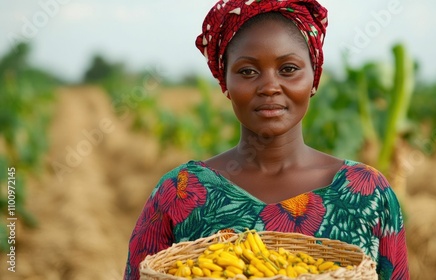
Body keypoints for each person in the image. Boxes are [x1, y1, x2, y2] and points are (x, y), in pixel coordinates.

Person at [124, 0, 409, 279]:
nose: (270, 87)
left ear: (314, 78)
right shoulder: (179, 193)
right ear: (226, 83)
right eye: (248, 71)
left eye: (288, 69)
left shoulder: (368, 193)